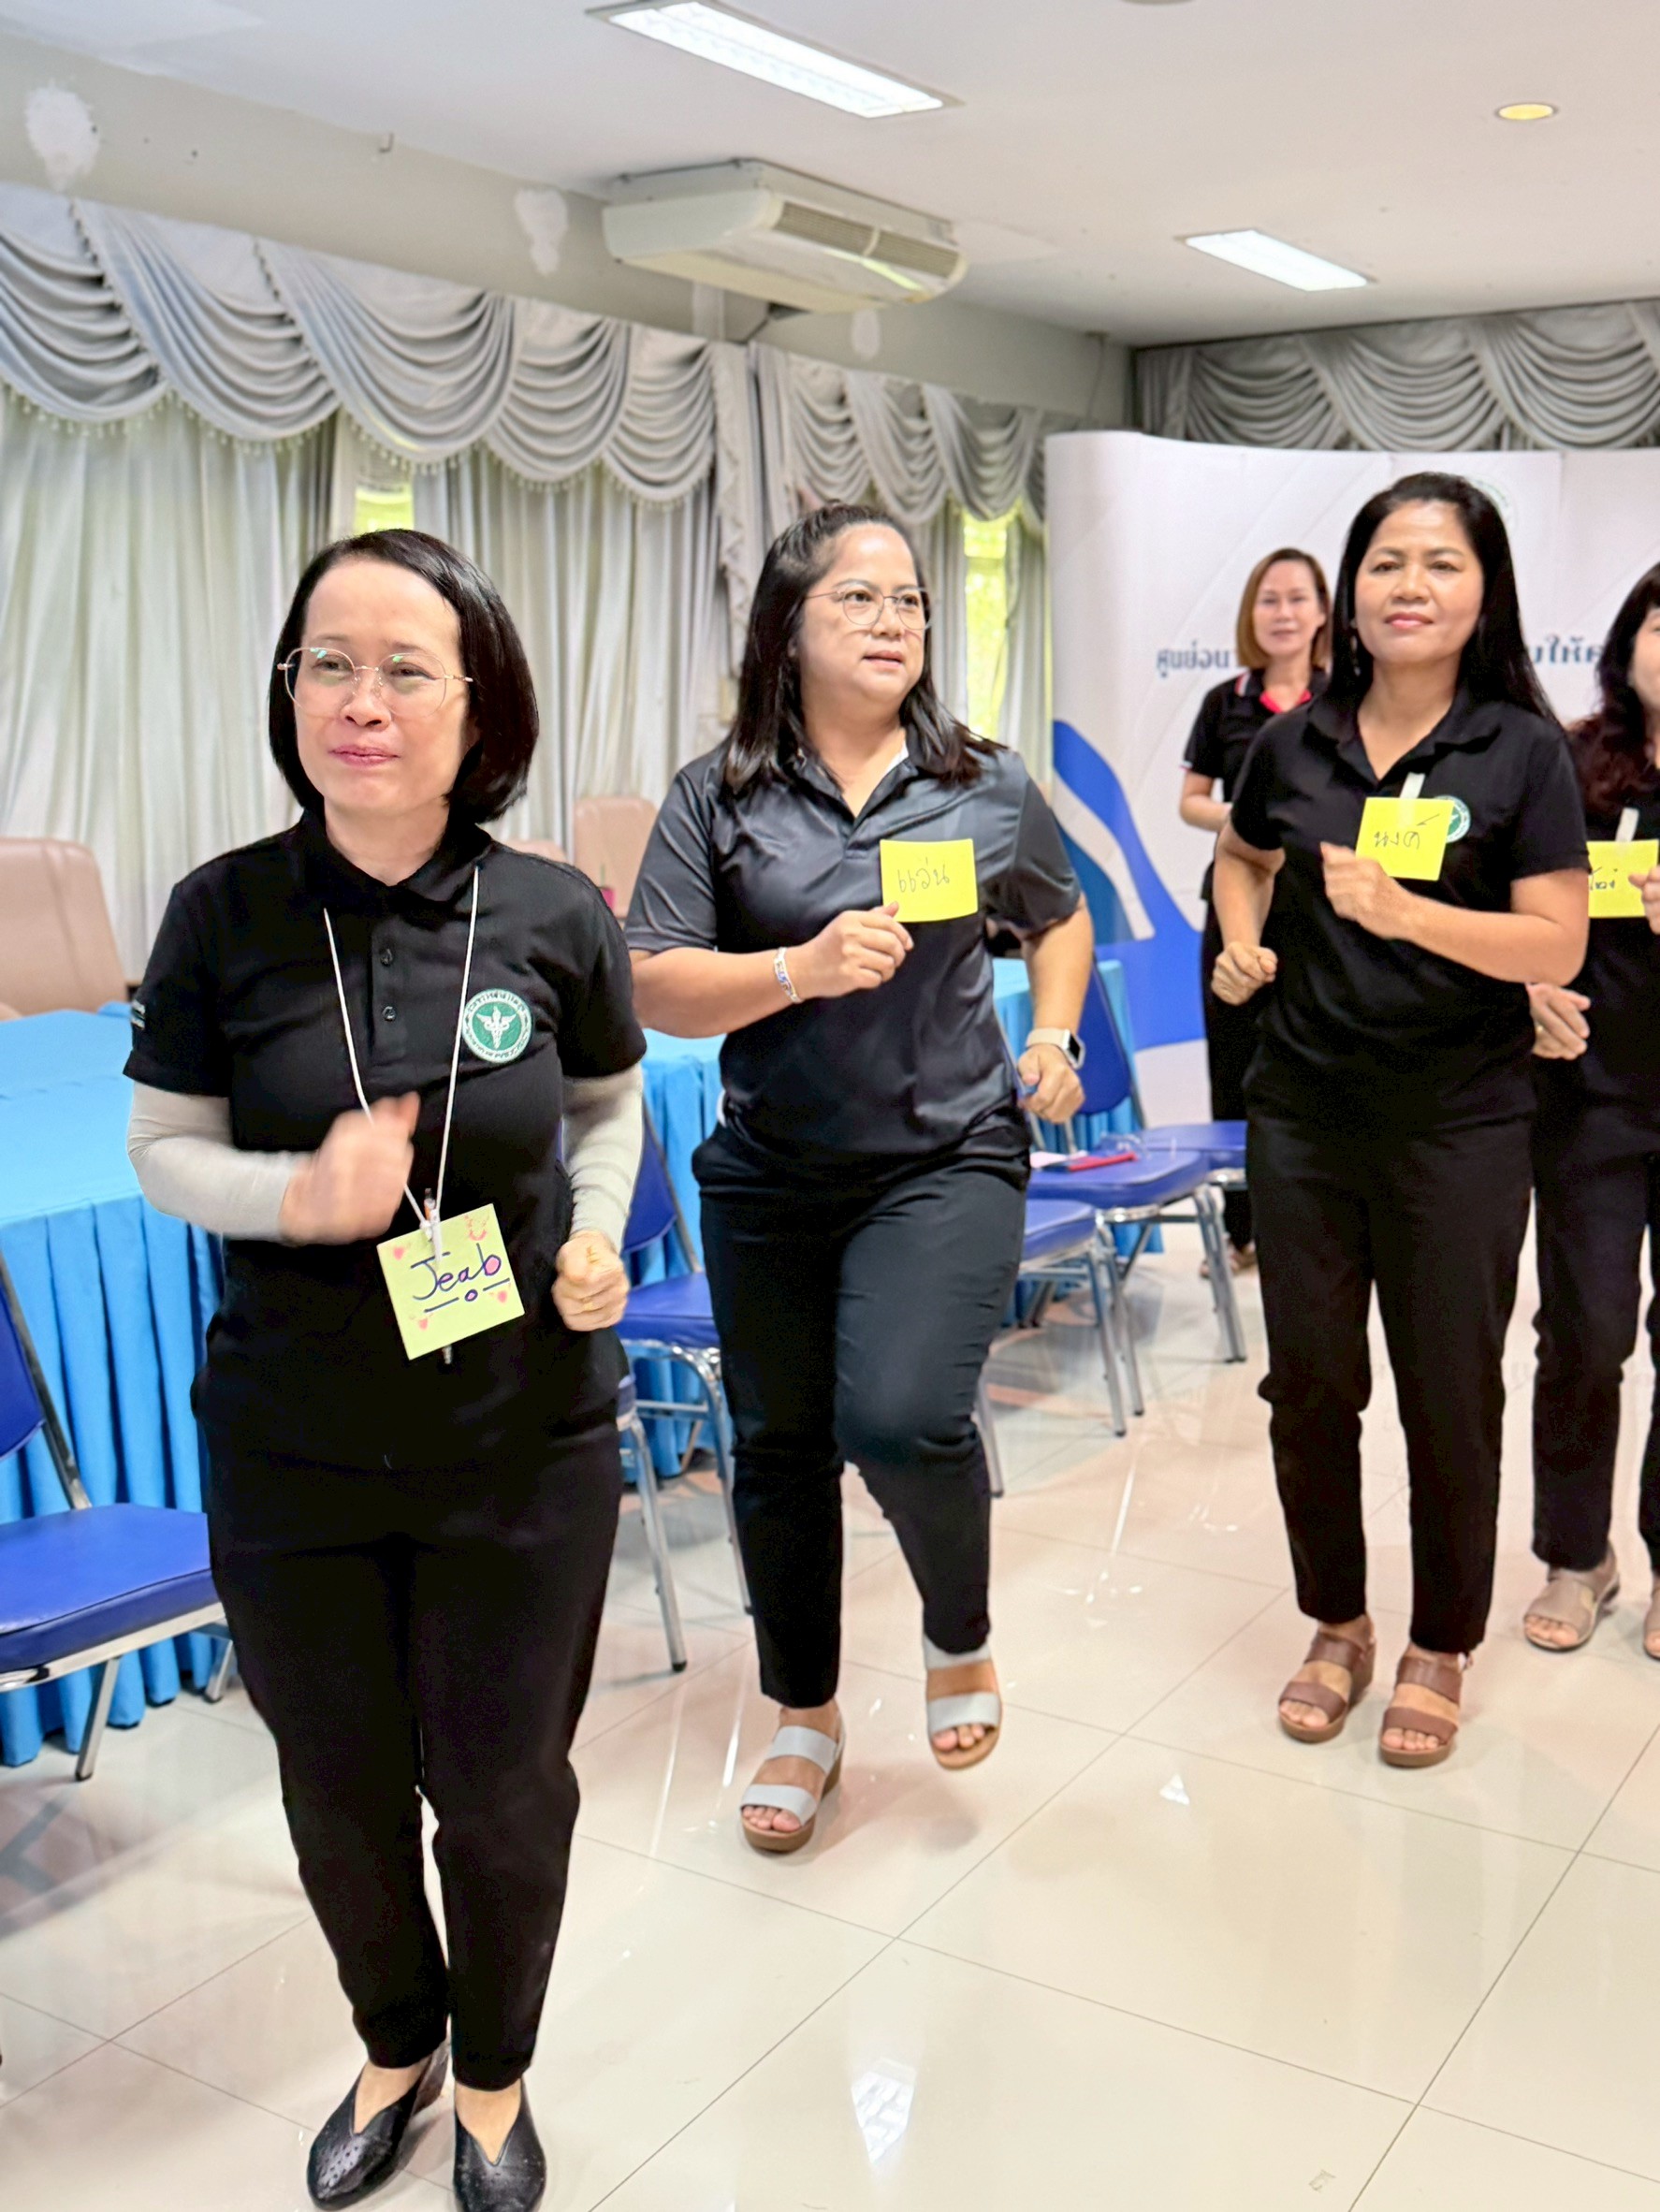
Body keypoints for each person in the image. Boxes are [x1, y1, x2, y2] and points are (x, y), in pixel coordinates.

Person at [124, 530, 645, 2212]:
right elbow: (160, 1146)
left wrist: (599, 1230)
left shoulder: (552, 909)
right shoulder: (221, 911)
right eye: (325, 664)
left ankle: (492, 2076)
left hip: (521, 1436)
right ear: (289, 694)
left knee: (500, 1794)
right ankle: (394, 2042)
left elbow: (605, 1104)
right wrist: (295, 1197)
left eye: (404, 668)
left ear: (478, 703)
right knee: (337, 1791)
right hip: (292, 1442)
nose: (360, 700)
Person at [627, 502, 1093, 1853]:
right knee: (776, 1452)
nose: (894, 622)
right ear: (788, 626)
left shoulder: (980, 782)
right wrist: (797, 968)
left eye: (909, 602)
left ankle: (957, 1632)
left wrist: (1054, 1037)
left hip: (946, 1153)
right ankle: (805, 1715)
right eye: (859, 598)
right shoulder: (717, 795)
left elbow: (1058, 918)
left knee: (896, 1416)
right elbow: (654, 981)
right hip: (770, 1170)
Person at [1211, 473, 1588, 1768]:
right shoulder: (1292, 743)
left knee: (1447, 1392)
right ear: (1351, 592)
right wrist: (1244, 939)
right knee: (1309, 1388)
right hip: (1303, 1115)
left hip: (1458, 1126)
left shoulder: (1520, 751)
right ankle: (1337, 1620)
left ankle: (1439, 1640)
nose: (1408, 586)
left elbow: (1554, 939)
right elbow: (1241, 855)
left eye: (1439, 564)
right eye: (1384, 562)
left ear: (1484, 594)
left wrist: (1406, 913)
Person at [1522, 566, 1660, 1654]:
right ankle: (1577, 1557)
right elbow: (1503, 904)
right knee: (1582, 1335)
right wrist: (1526, 987)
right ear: (1626, 644)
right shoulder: (1567, 765)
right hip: (1589, 1099)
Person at [1180, 548, 1331, 1265]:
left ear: (1324, 612)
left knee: (1317, 1063)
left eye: (1298, 599)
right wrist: (1254, 821)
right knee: (1236, 1063)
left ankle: (1317, 1221)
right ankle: (1243, 1232)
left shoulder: (1346, 700)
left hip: (1320, 912)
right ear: (1250, 613)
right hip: (1237, 904)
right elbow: (1191, 802)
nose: (1284, 613)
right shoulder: (1225, 702)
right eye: (1269, 600)